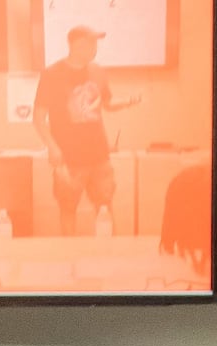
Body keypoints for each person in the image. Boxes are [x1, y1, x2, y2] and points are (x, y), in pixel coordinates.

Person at [33, 24, 131, 237]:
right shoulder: (52, 74)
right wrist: (52, 147)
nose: (94, 48)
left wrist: (127, 102)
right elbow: (38, 118)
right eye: (89, 43)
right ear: (74, 45)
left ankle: (109, 257)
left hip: (99, 154)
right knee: (68, 208)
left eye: (95, 43)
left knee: (105, 206)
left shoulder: (98, 71)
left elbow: (107, 102)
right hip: (68, 157)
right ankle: (69, 256)